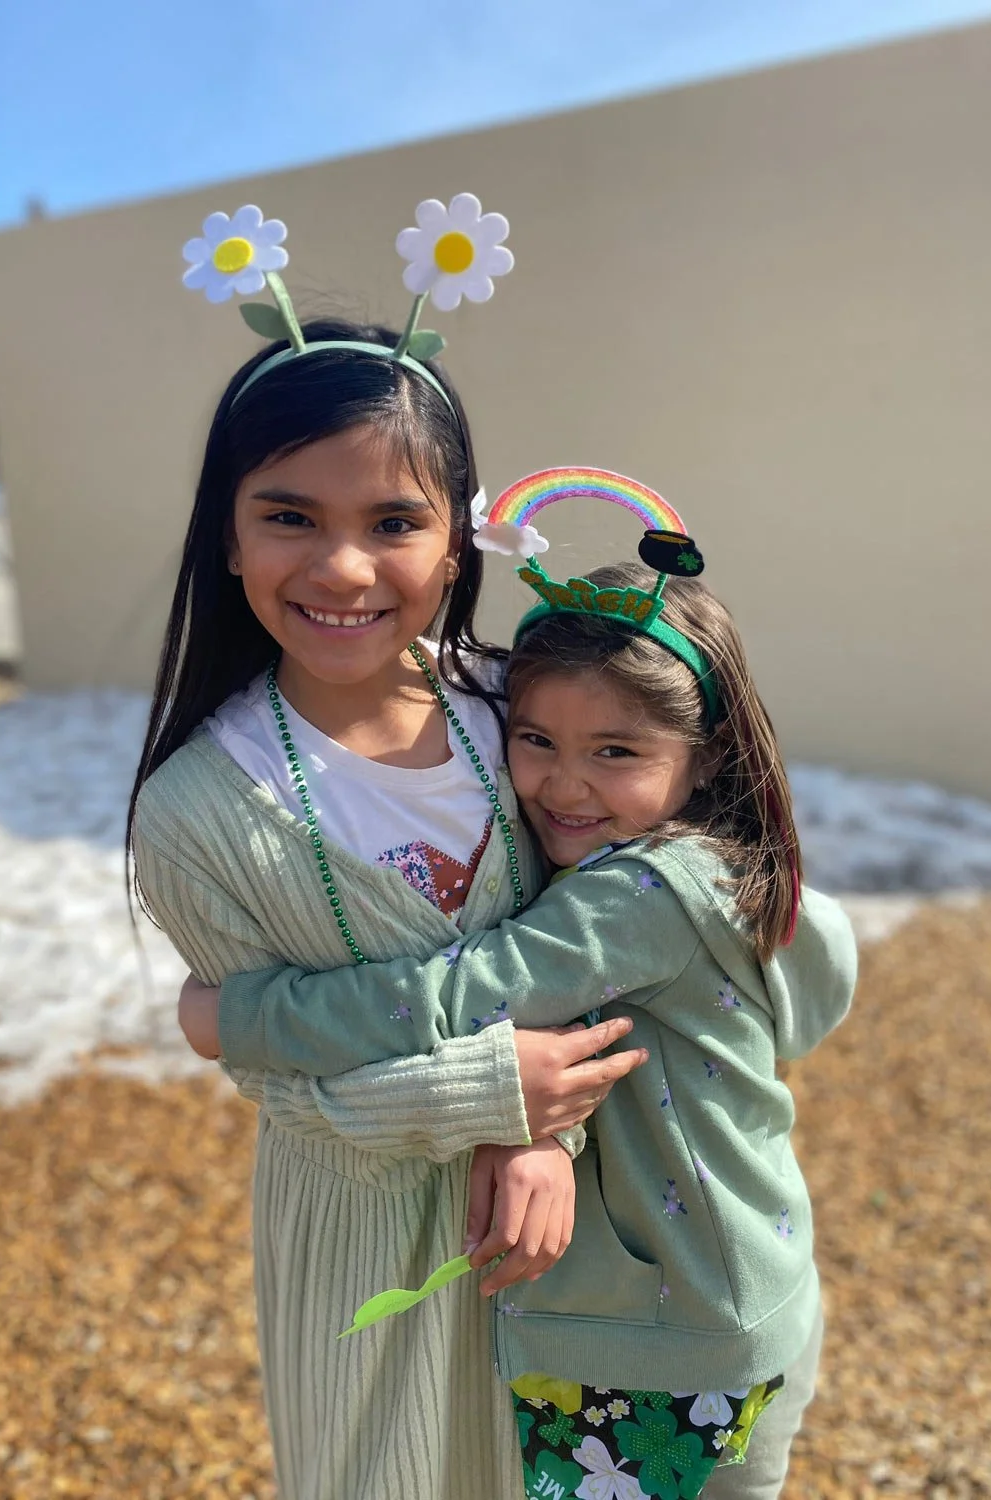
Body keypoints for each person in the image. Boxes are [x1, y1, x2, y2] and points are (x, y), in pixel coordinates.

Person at [178, 470, 858, 1500]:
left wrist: (238, 1015)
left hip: (657, 1350)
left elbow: (455, 994)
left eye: (616, 751)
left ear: (706, 756)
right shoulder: (741, 875)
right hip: (752, 1299)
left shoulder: (634, 900)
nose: (564, 783)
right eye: (535, 740)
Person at [129, 206, 648, 1499]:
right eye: (290, 515)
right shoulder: (199, 811)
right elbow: (296, 1090)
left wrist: (543, 1136)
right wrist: (489, 1099)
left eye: (395, 520)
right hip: (362, 1247)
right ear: (228, 534)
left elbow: (623, 929)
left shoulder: (523, 719)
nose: (345, 565)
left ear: (458, 532)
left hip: (585, 1239)